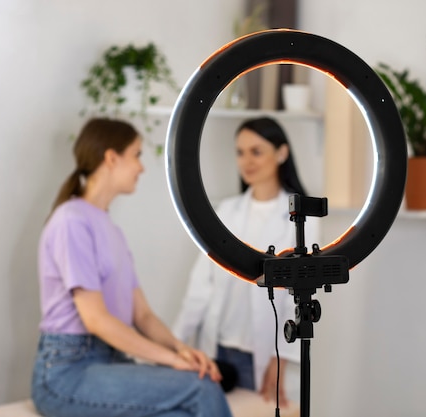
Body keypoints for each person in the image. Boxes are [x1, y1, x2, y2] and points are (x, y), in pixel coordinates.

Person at [31, 118, 233, 417]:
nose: (141, 167)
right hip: (67, 372)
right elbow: (96, 320)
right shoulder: (72, 221)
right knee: (201, 387)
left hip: (108, 361)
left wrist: (181, 350)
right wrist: (171, 361)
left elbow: (143, 315)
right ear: (112, 158)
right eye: (137, 155)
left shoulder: (112, 230)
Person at [173, 117, 320, 406]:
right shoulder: (226, 211)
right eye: (240, 152)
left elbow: (300, 292)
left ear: (281, 153)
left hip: (263, 353)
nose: (247, 161)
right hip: (217, 348)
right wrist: (175, 342)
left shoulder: (301, 218)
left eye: (256, 151)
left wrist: (282, 358)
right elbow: (201, 285)